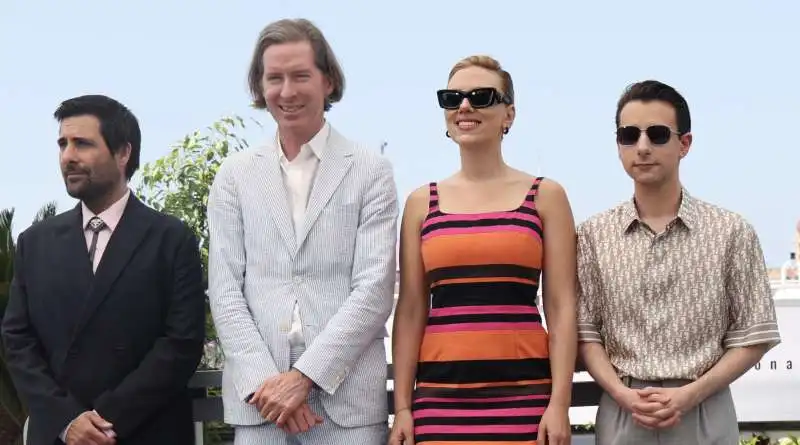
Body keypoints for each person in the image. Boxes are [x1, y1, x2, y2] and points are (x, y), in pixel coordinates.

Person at [206, 18, 399, 445]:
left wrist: (304, 377)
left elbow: (374, 290)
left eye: (300, 76)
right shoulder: (234, 176)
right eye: (274, 78)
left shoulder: (370, 171)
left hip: (347, 403)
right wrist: (269, 384)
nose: (287, 91)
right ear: (260, 87)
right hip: (261, 404)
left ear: (327, 80)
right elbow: (224, 291)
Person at [576, 80, 781, 444]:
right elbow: (585, 331)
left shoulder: (730, 231)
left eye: (657, 134)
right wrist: (621, 394)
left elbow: (756, 332)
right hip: (622, 408)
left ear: (684, 143)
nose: (642, 147)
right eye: (628, 135)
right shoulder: (592, 235)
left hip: (705, 407)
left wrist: (692, 394)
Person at [389, 55, 578, 445]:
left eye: (481, 96)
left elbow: (561, 307)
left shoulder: (546, 196)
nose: (464, 106)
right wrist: (403, 409)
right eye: (451, 97)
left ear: (509, 114)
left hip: (525, 400)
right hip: (438, 404)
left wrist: (559, 403)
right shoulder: (421, 203)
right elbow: (409, 310)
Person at [1, 94, 207, 445]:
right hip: (58, 435)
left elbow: (182, 344)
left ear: (123, 152)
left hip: (147, 431)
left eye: (82, 143)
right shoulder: (34, 242)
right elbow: (17, 341)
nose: (68, 156)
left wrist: (106, 420)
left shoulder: (171, 238)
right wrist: (68, 421)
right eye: (62, 144)